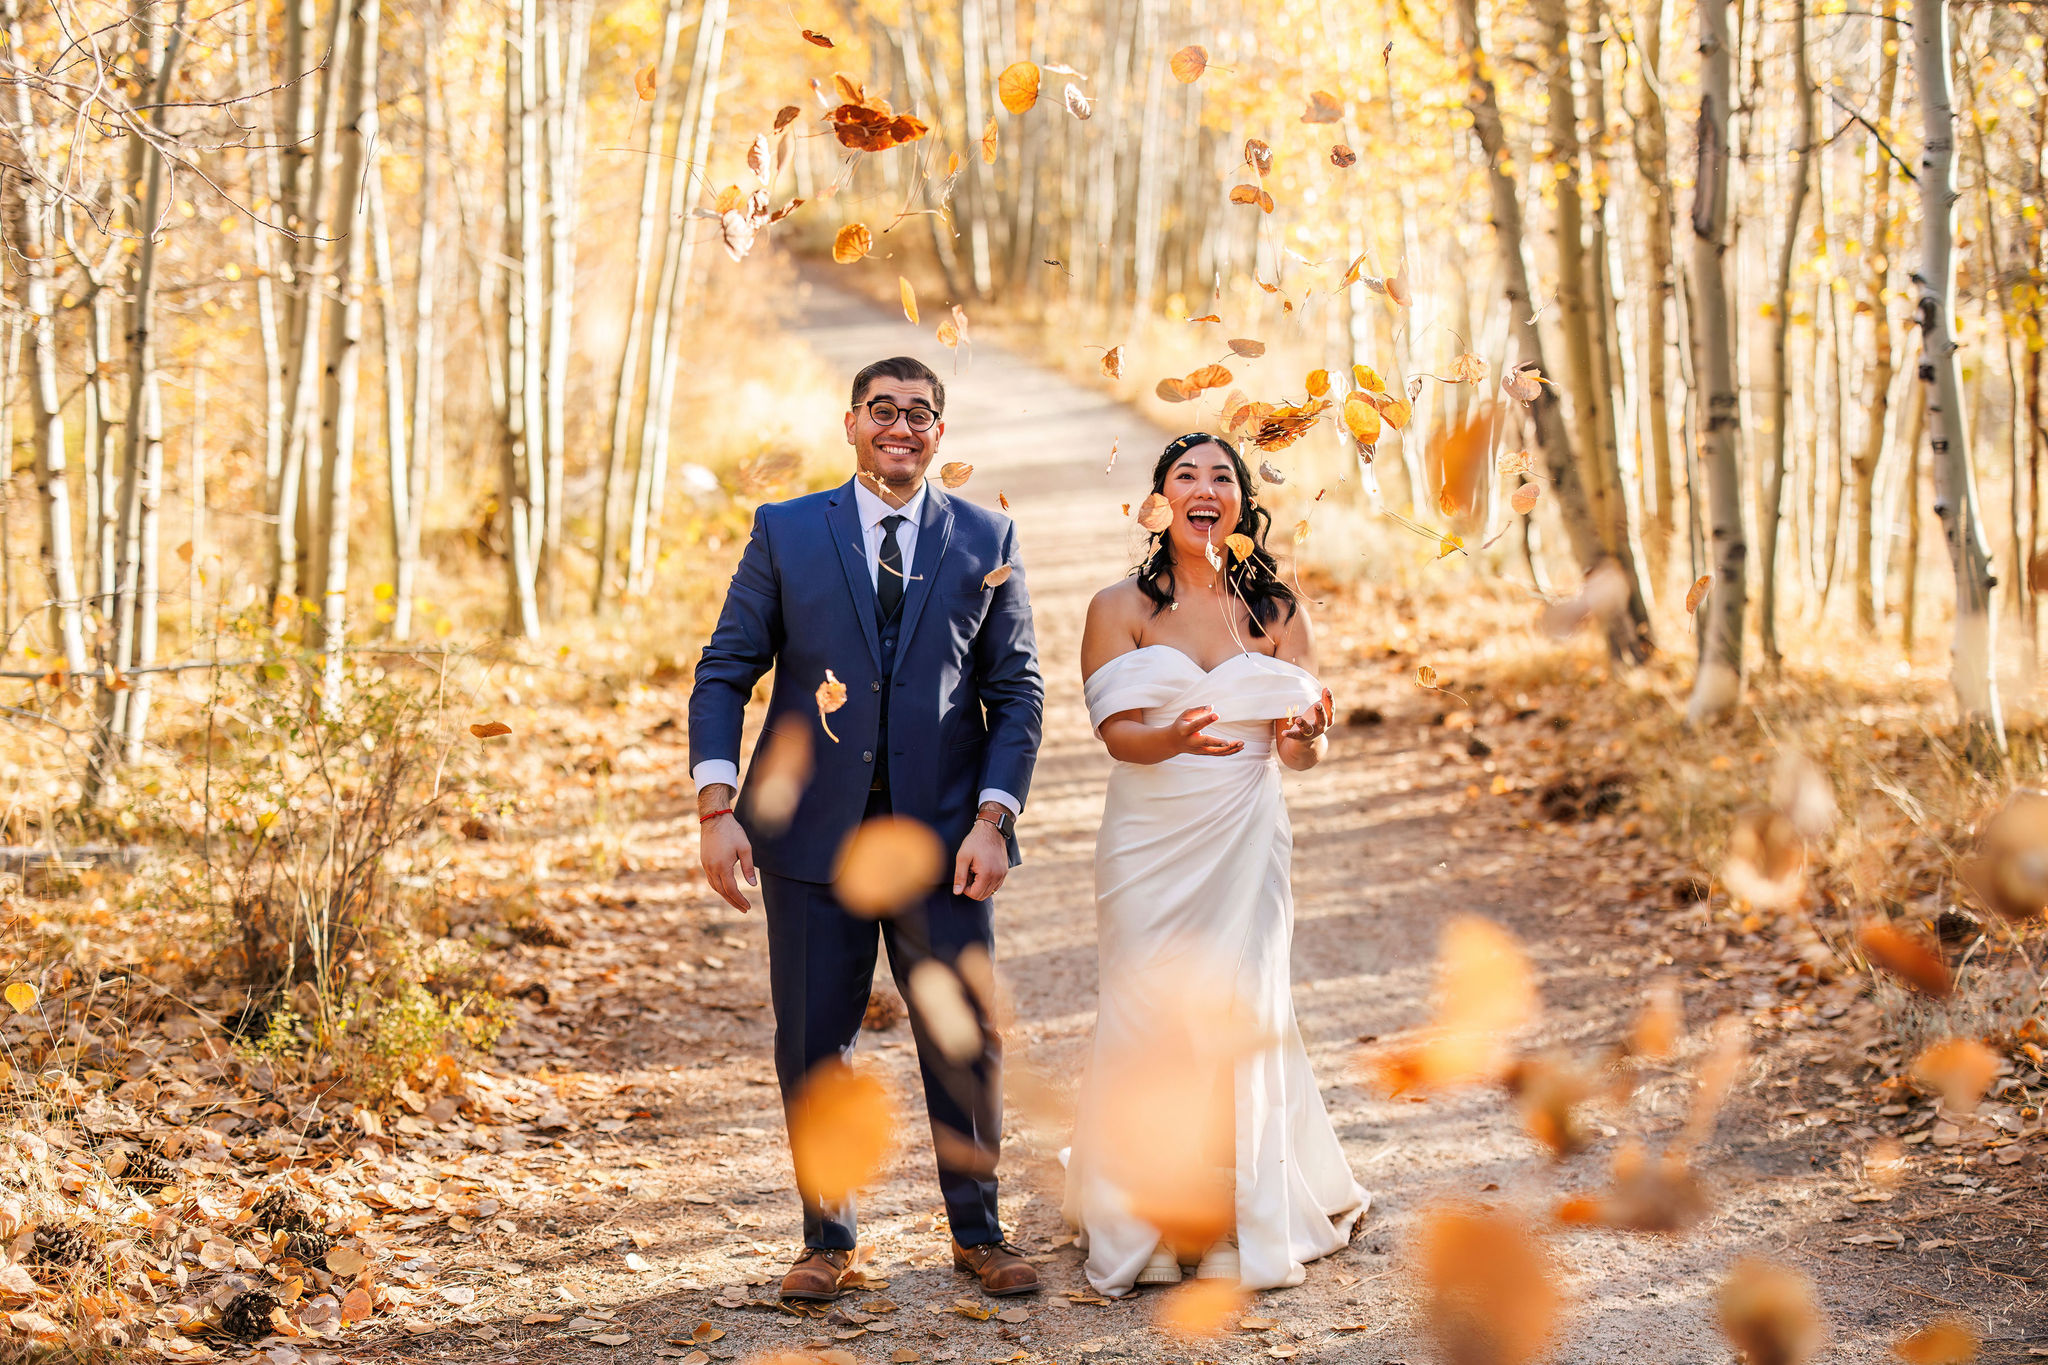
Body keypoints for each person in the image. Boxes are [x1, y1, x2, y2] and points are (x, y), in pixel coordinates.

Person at [688, 356, 1046, 1302]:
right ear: (850, 424)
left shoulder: (988, 536)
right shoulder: (786, 531)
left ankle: (979, 1233)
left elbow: (1017, 694)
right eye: (882, 410)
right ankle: (826, 1240)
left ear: (940, 431)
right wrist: (717, 805)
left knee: (964, 1038)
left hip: (942, 844)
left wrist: (994, 819)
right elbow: (726, 670)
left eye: (920, 412)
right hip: (809, 840)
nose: (901, 425)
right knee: (814, 1041)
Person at [1062, 431, 1368, 1297]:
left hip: (1246, 830)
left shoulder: (1276, 610)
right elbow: (1118, 737)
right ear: (1159, 499)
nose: (1206, 488)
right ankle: (1147, 1217)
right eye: (1186, 475)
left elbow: (1296, 753)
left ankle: (1238, 1217)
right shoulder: (1117, 605)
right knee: (1147, 1013)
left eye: (1221, 477)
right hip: (1148, 838)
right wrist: (1172, 736)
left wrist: (1305, 737)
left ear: (1240, 501)